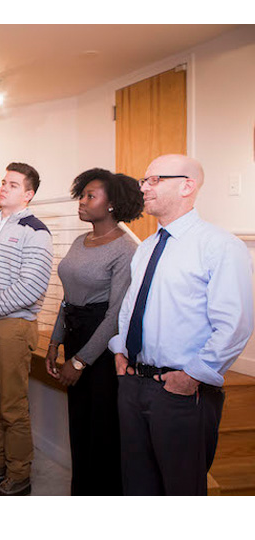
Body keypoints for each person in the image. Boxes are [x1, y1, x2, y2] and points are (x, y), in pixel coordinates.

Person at [108, 154, 253, 496]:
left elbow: (234, 324)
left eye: (154, 180)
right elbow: (131, 307)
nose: (144, 187)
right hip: (133, 384)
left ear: (187, 186)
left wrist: (193, 375)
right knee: (137, 485)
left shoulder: (219, 246)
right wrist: (120, 350)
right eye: (144, 180)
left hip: (180, 391)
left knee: (181, 491)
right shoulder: (146, 248)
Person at [45, 168, 143, 495]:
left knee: (101, 431)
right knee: (80, 426)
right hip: (74, 334)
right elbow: (68, 296)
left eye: (90, 196)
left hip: (101, 349)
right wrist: (55, 341)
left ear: (112, 204)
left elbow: (116, 315)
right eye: (82, 194)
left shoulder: (126, 248)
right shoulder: (80, 239)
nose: (82, 201)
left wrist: (80, 361)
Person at [0, 162, 53, 496]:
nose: (4, 188)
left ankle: (19, 474)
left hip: (13, 327)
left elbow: (30, 287)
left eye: (13, 185)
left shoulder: (37, 232)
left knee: (12, 408)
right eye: (4, 182)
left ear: (29, 194)